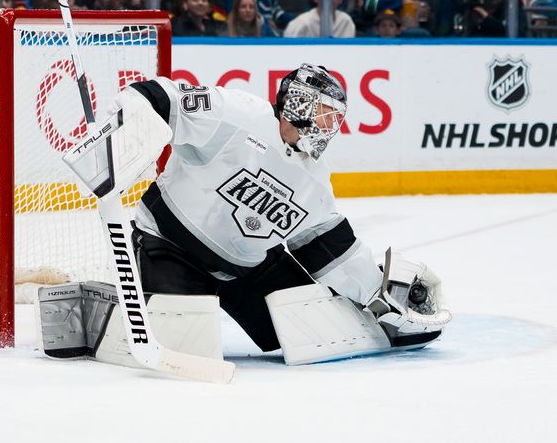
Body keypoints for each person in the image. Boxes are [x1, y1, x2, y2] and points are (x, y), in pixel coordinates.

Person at [40, 64, 450, 365]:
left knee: (303, 331)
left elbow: (329, 249)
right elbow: (161, 97)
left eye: (335, 119)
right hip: (171, 246)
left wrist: (380, 298)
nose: (330, 126)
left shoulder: (313, 179)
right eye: (326, 113)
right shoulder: (235, 113)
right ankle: (101, 311)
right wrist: (121, 125)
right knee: (183, 343)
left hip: (248, 268)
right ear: (300, 103)